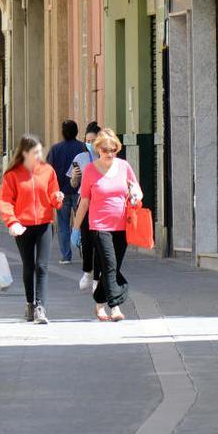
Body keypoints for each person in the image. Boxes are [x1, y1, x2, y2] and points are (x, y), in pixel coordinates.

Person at [73, 129, 142, 322]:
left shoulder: (124, 166)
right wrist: (76, 228)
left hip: (122, 226)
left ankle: (98, 304)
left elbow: (136, 189)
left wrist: (136, 195)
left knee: (112, 267)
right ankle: (115, 307)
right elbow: (84, 202)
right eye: (105, 150)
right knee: (110, 265)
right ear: (98, 149)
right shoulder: (90, 171)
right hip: (99, 226)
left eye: (113, 150)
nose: (109, 154)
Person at [0, 135, 64, 325]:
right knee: (28, 266)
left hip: (44, 223)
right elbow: (5, 201)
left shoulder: (47, 171)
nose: (39, 155)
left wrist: (57, 198)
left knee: (41, 266)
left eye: (40, 151)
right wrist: (12, 222)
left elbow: (53, 196)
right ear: (25, 153)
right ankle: (30, 303)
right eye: (35, 152)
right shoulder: (12, 175)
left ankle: (40, 308)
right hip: (23, 226)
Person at [66, 121, 102, 292]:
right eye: (87, 140)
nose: (90, 144)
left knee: (100, 242)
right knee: (87, 241)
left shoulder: (106, 158)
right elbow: (73, 185)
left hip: (102, 203)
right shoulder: (79, 158)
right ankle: (88, 272)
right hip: (85, 202)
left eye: (94, 140)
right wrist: (74, 177)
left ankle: (97, 278)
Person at [46, 120, 86, 265]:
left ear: (63, 132)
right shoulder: (82, 147)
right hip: (80, 191)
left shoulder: (55, 149)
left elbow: (48, 171)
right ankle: (84, 249)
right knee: (82, 222)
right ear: (76, 131)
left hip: (60, 192)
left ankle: (66, 255)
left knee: (63, 224)